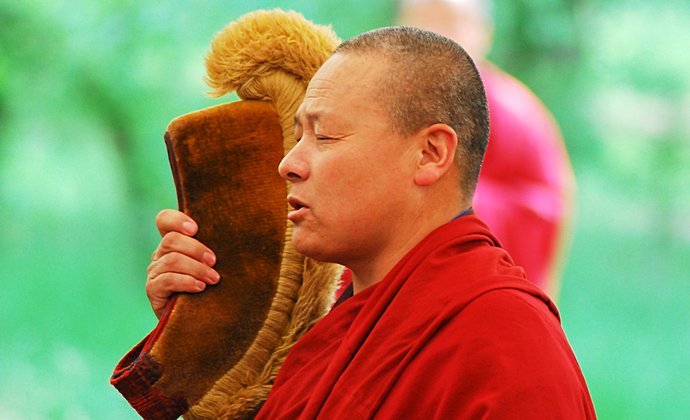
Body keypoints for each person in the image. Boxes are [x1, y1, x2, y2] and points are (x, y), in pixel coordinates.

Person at [147, 27, 595, 418]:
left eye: (324, 135)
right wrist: (200, 334)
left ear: (430, 153)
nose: (289, 163)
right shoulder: (340, 328)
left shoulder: (505, 343)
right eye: (299, 134)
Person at [398, 0, 577, 296]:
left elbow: (544, 210)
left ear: (484, 33)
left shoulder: (517, 115)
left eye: (449, 20)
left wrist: (447, 206)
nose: (432, 33)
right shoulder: (377, 97)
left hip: (475, 294)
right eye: (420, 18)